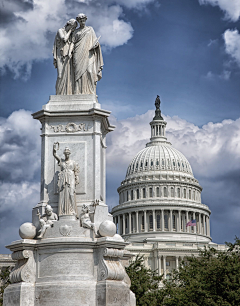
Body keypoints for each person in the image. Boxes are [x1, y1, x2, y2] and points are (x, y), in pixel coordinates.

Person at [72, 13, 103, 94]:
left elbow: (95, 40)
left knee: (89, 71)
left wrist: (96, 44)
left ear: (85, 20)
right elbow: (72, 43)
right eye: (80, 20)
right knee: (78, 73)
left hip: (89, 52)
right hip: (78, 52)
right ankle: (77, 91)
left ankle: (91, 91)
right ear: (78, 21)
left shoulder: (90, 29)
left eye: (83, 20)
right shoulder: (75, 32)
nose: (82, 21)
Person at [53, 143, 79, 216]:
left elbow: (76, 171)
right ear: (64, 154)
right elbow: (55, 155)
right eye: (65, 153)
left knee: (71, 193)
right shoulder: (61, 161)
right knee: (63, 194)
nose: (67, 155)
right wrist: (54, 149)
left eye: (68, 153)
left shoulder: (73, 162)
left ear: (69, 154)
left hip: (71, 177)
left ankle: (73, 210)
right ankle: (63, 211)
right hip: (63, 177)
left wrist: (77, 178)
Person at [53, 19, 77, 95]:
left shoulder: (72, 34)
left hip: (68, 56)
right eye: (73, 27)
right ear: (69, 25)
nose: (73, 29)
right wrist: (70, 31)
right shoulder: (60, 30)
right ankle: (59, 94)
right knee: (60, 75)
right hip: (60, 55)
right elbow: (64, 39)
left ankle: (68, 93)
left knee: (69, 76)